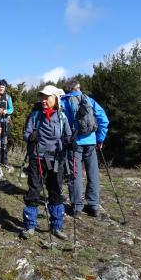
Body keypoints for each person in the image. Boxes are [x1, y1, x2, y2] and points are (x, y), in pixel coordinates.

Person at [21, 85, 72, 240]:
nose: (43, 100)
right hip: (37, 158)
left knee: (55, 191)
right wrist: (30, 137)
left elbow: (68, 135)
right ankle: (30, 226)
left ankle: (56, 227)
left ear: (55, 99)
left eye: (47, 97)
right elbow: (26, 133)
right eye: (42, 97)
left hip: (57, 159)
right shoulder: (36, 115)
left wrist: (71, 142)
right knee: (34, 190)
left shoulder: (62, 117)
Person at [61, 81, 109, 218]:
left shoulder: (64, 102)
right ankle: (93, 205)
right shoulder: (89, 100)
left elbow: (62, 123)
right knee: (92, 173)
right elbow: (104, 120)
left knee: (75, 174)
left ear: (67, 90)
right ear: (79, 88)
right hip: (91, 141)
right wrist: (100, 138)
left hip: (74, 143)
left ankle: (77, 208)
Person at [0, 79, 14, 166]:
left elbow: (11, 109)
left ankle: (4, 161)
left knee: (4, 141)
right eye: (0, 87)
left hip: (5, 122)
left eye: (3, 87)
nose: (1, 89)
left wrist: (6, 111)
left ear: (5, 88)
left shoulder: (8, 97)